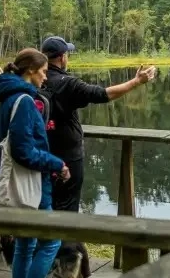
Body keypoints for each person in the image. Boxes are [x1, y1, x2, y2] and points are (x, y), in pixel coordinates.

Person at [0, 48, 71, 278]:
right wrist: (56, 164)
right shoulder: (24, 101)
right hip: (33, 188)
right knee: (51, 242)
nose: (46, 78)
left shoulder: (8, 98)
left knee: (26, 245)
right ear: (30, 71)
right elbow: (24, 151)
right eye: (44, 72)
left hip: (22, 186)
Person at [38, 35, 157, 214]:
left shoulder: (34, 79)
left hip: (41, 155)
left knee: (44, 206)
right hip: (68, 159)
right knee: (66, 209)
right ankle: (66, 242)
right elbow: (102, 94)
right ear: (62, 57)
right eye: (67, 54)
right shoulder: (67, 83)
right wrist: (136, 82)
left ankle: (48, 240)